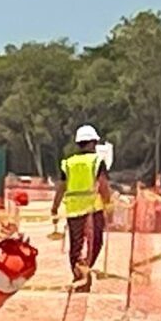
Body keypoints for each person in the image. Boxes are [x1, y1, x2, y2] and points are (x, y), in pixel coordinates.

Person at [51, 124, 112, 291]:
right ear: (92, 142)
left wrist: (54, 207)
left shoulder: (68, 163)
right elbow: (104, 185)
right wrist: (108, 205)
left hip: (73, 210)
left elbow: (61, 187)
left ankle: (79, 275)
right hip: (93, 210)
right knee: (96, 243)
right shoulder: (97, 161)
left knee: (76, 246)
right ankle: (85, 271)